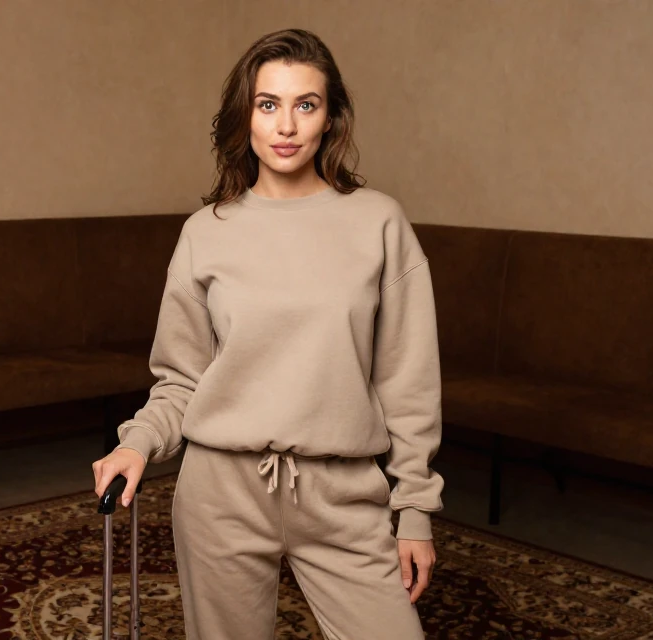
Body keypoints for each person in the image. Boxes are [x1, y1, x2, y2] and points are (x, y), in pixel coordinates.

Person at [92, 27, 444, 640]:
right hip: (220, 494)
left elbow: (407, 381)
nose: (286, 126)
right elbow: (183, 378)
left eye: (305, 105)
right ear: (245, 117)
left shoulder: (379, 223)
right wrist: (138, 442)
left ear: (330, 119)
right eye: (268, 104)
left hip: (343, 496)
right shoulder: (206, 232)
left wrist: (413, 510)